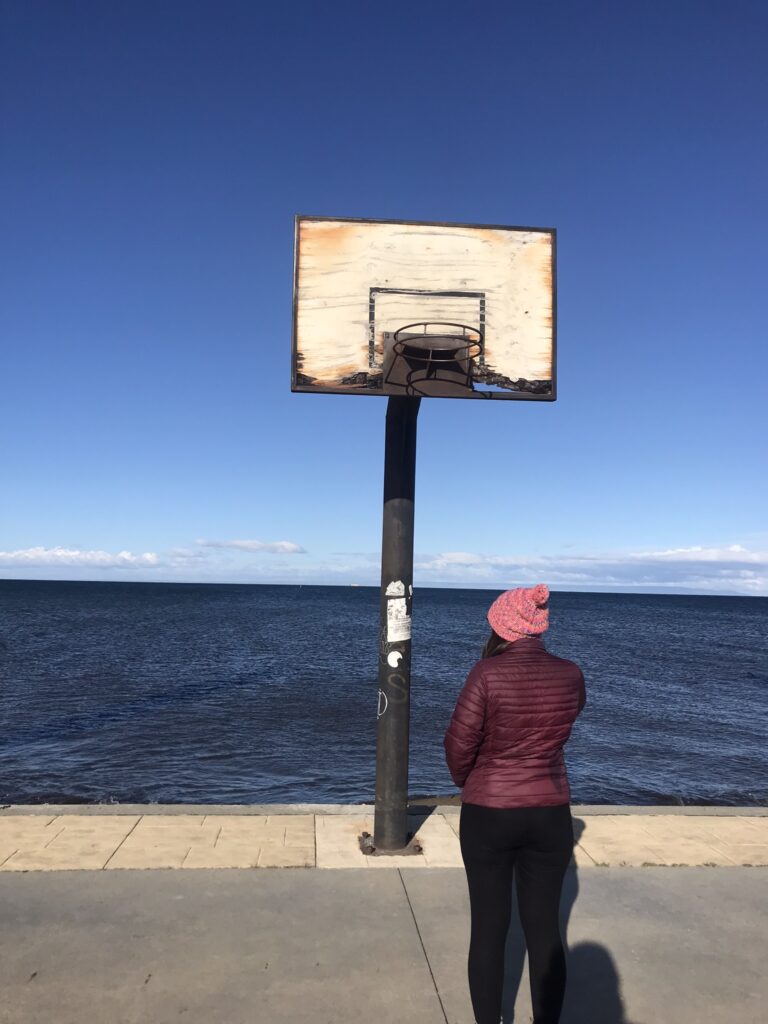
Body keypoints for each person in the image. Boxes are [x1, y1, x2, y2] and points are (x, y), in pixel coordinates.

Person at [443, 584, 586, 1024]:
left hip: (490, 813)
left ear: (501, 626)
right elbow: (563, 726)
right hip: (550, 813)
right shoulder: (570, 674)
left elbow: (458, 747)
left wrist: (475, 781)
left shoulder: (485, 674)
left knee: (488, 929)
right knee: (544, 930)